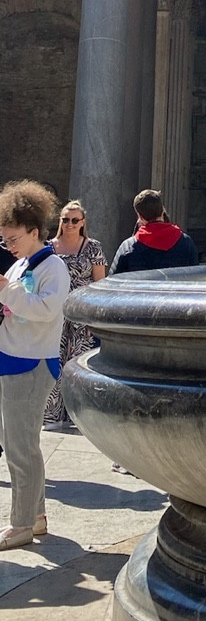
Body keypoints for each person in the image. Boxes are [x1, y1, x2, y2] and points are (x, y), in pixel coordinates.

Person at [0, 180, 70, 550]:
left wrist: (6, 291)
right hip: (14, 359)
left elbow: (46, 310)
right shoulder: (21, 265)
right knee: (20, 443)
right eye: (4, 240)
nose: (8, 246)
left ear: (33, 230)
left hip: (30, 363)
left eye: (12, 238)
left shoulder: (53, 267)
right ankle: (36, 516)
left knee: (20, 448)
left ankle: (22, 524)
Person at [43, 199, 106, 429]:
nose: (69, 224)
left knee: (78, 365)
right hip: (55, 313)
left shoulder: (92, 247)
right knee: (53, 363)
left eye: (74, 220)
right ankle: (51, 416)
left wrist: (95, 319)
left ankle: (76, 416)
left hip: (81, 316)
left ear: (82, 222)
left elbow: (99, 285)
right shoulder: (48, 247)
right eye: (65, 219)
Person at [110, 189, 200, 274]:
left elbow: (113, 280)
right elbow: (195, 276)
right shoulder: (186, 242)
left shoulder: (128, 247)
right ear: (163, 211)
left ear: (140, 217)